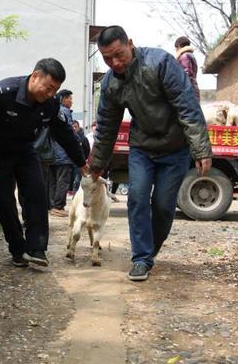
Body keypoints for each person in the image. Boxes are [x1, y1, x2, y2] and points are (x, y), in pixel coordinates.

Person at [89, 26, 212, 281]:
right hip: (142, 148)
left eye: (119, 54)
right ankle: (141, 258)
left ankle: (150, 250)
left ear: (130, 43)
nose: (115, 62)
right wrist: (97, 163)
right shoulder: (111, 83)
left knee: (164, 206)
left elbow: (187, 105)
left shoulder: (160, 63)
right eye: (107, 58)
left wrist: (201, 149)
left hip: (175, 148)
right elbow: (106, 127)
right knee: (137, 197)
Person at [0, 58, 88, 268]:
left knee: (37, 194)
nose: (50, 94)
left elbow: (65, 134)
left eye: (55, 90)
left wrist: (81, 162)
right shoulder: (4, 92)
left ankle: (37, 248)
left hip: (25, 151)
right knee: (5, 203)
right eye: (48, 88)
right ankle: (18, 250)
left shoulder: (50, 104)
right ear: (35, 76)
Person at [49, 90, 76, 217]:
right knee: (63, 180)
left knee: (53, 180)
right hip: (63, 153)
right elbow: (69, 133)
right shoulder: (64, 112)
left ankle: (52, 205)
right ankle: (58, 206)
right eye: (69, 98)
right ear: (63, 99)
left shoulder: (54, 110)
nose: (71, 101)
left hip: (52, 153)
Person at [174, 36, 200, 101]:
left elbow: (186, 75)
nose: (176, 50)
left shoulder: (184, 56)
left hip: (188, 91)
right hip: (192, 89)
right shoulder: (190, 55)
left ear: (179, 46)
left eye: (176, 47)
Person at [71, 120, 90, 191]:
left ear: (79, 127)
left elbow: (87, 150)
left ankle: (76, 194)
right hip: (69, 162)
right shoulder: (67, 137)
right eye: (72, 127)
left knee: (77, 181)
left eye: (75, 127)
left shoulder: (83, 139)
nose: (74, 128)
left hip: (79, 163)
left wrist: (82, 159)